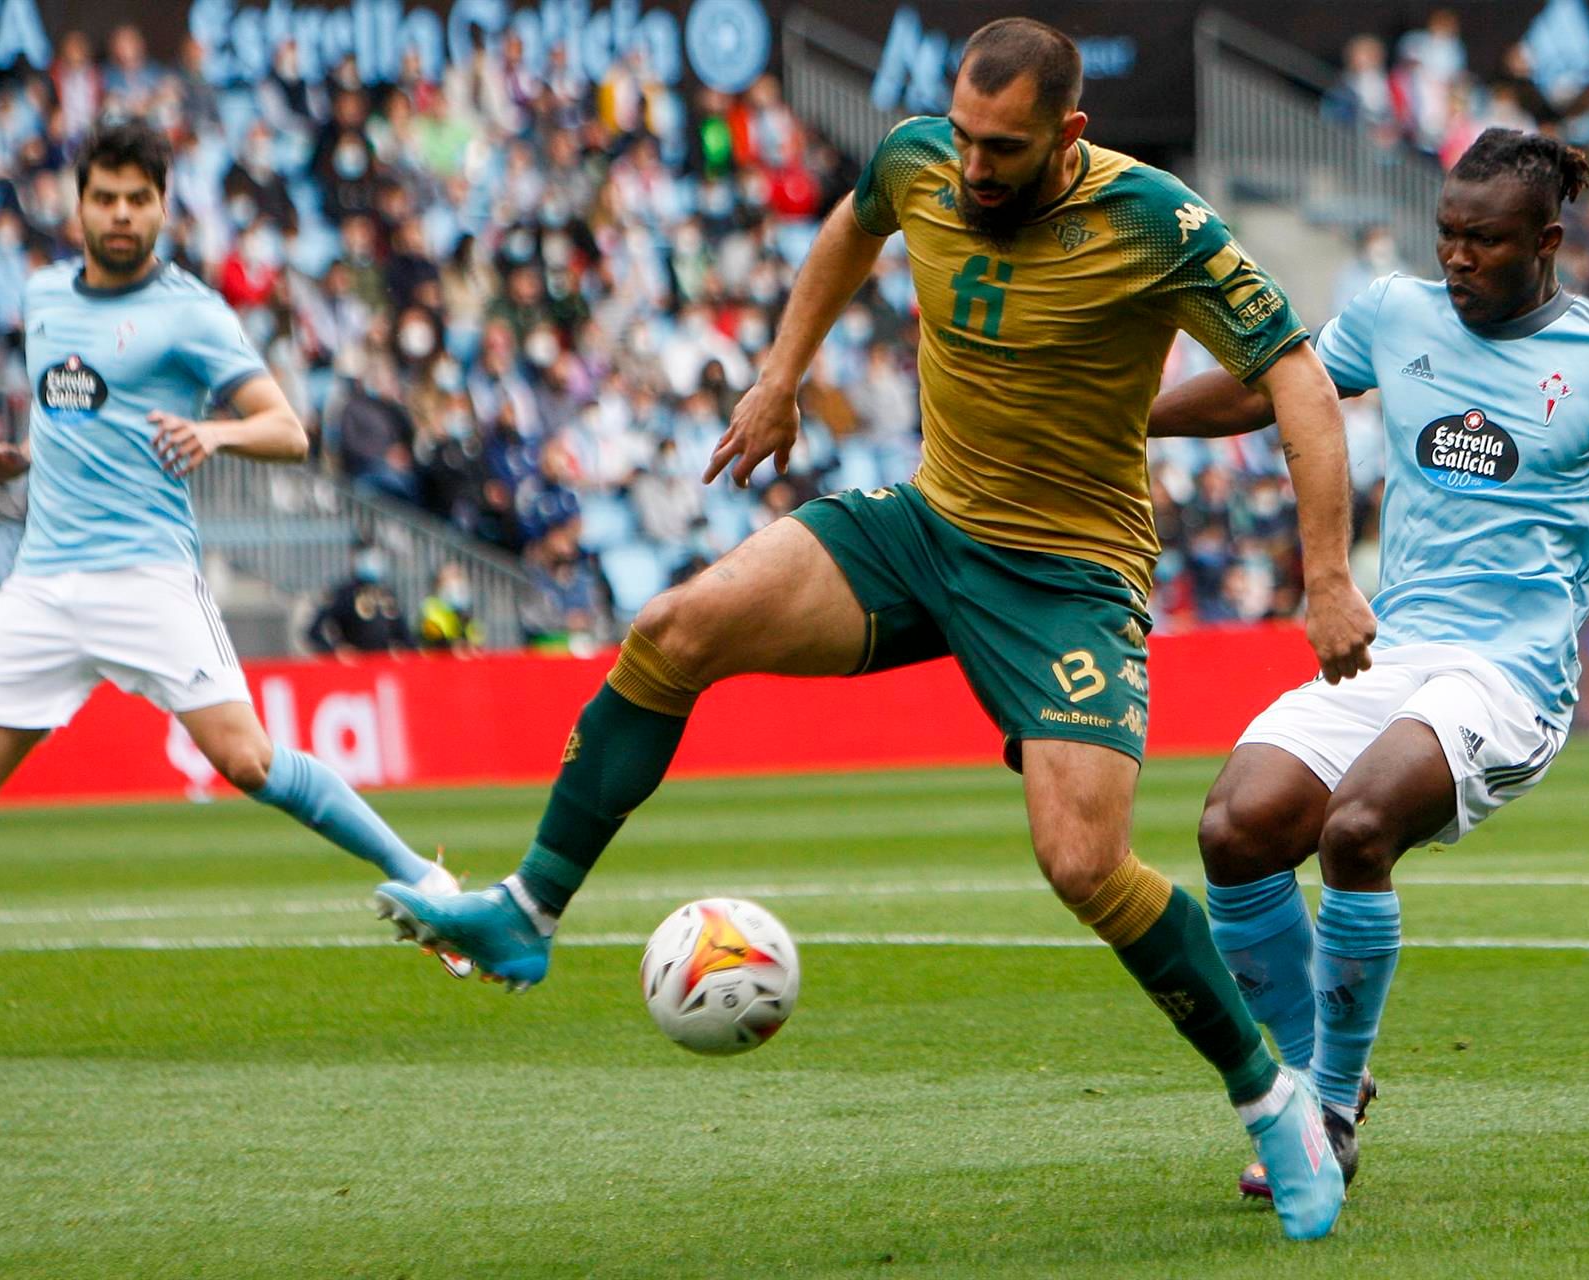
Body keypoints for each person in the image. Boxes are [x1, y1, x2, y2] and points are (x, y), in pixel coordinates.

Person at [377, 19, 1373, 1240]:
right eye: (960, 133)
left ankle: (1270, 1095)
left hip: (1068, 577)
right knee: (672, 629)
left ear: (1070, 134)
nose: (971, 166)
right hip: (927, 526)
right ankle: (524, 915)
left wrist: (1326, 572)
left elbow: (1299, 380)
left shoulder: (1160, 225)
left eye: (1001, 147)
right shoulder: (918, 162)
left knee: (1082, 861)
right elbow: (855, 227)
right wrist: (781, 373)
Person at [1148, 128, 1589, 1198]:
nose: (1459, 258)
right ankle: (1320, 1070)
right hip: (1398, 646)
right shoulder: (1395, 311)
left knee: (1357, 826)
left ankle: (1325, 1112)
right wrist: (1131, 416)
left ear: (1548, 242)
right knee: (1235, 828)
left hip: (1512, 675)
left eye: (1484, 240)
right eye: (1448, 236)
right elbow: (1272, 389)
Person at [0, 122, 466, 970]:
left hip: (148, 578)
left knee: (245, 760)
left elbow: (286, 430)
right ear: (80, 205)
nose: (123, 214)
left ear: (165, 206)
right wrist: (22, 456)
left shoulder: (189, 313)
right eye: (106, 197)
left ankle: (422, 881)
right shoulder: (41, 299)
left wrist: (215, 433)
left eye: (140, 199)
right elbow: (74, 409)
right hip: (45, 582)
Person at [308, 539, 414, 657]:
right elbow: (314, 631)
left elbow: (405, 635)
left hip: (383, 666)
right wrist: (336, 651)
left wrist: (402, 651)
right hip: (355, 668)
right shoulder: (345, 593)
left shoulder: (387, 595)